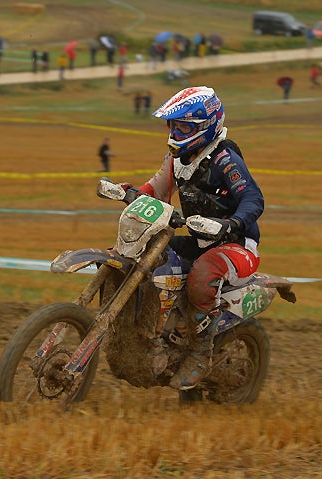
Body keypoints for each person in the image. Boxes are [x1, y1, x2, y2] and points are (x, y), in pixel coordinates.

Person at [118, 86, 264, 390]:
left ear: (205, 127)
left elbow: (253, 198)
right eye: (173, 126)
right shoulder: (178, 160)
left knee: (202, 275)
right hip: (200, 241)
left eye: (183, 127)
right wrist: (128, 193)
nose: (175, 132)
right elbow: (155, 190)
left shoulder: (225, 159)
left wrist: (231, 223)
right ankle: (158, 330)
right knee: (149, 256)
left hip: (236, 247)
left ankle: (200, 353)